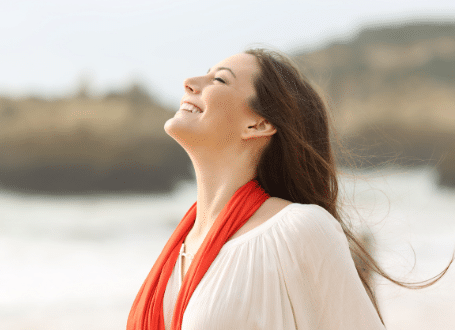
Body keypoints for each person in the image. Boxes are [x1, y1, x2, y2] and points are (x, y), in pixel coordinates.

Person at [127, 49, 450, 330]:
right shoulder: (179, 245)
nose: (190, 82)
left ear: (258, 124)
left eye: (220, 80)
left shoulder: (298, 229)